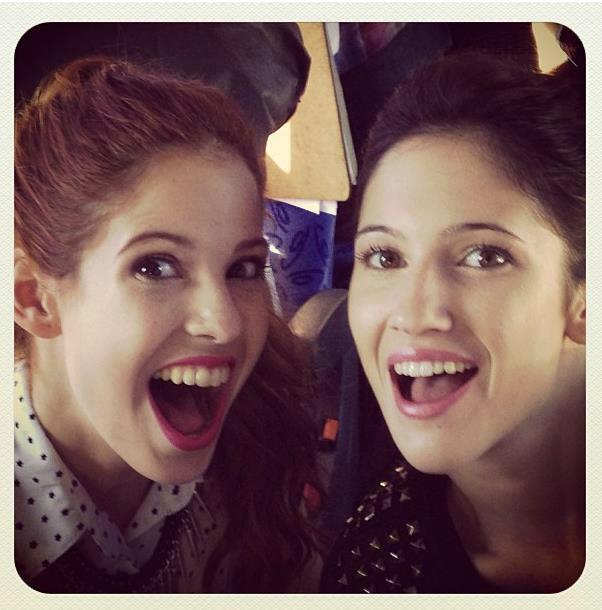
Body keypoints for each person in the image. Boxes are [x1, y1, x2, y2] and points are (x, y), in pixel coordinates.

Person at [14, 56, 322, 593]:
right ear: (36, 299)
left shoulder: (260, 439)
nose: (225, 323)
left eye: (244, 268)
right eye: (155, 267)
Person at [321, 52, 585, 593]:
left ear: (584, 300)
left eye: (484, 256)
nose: (414, 313)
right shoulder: (380, 564)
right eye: (385, 257)